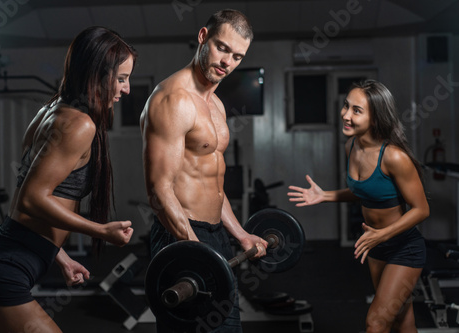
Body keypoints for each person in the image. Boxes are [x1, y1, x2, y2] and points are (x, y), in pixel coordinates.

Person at [0, 26, 136, 333]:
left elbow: (25, 210)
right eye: (121, 78)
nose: (127, 88)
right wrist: (100, 230)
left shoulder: (49, 111)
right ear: (96, 74)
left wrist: (60, 256)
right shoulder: (80, 125)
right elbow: (31, 198)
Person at [140, 9, 268, 333]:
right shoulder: (173, 100)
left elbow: (213, 184)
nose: (228, 61)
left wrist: (240, 235)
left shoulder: (216, 104)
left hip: (214, 237)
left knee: (226, 327)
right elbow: (159, 190)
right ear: (203, 38)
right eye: (222, 48)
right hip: (179, 236)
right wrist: (195, 251)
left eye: (237, 56)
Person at [287, 79, 429, 333]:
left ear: (375, 119)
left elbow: (421, 209)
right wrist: (325, 195)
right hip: (375, 247)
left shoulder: (394, 157)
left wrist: (381, 235)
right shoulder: (350, 146)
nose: (345, 115)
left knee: (375, 323)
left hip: (403, 248)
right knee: (402, 319)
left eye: (356, 110)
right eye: (346, 106)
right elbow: (366, 192)